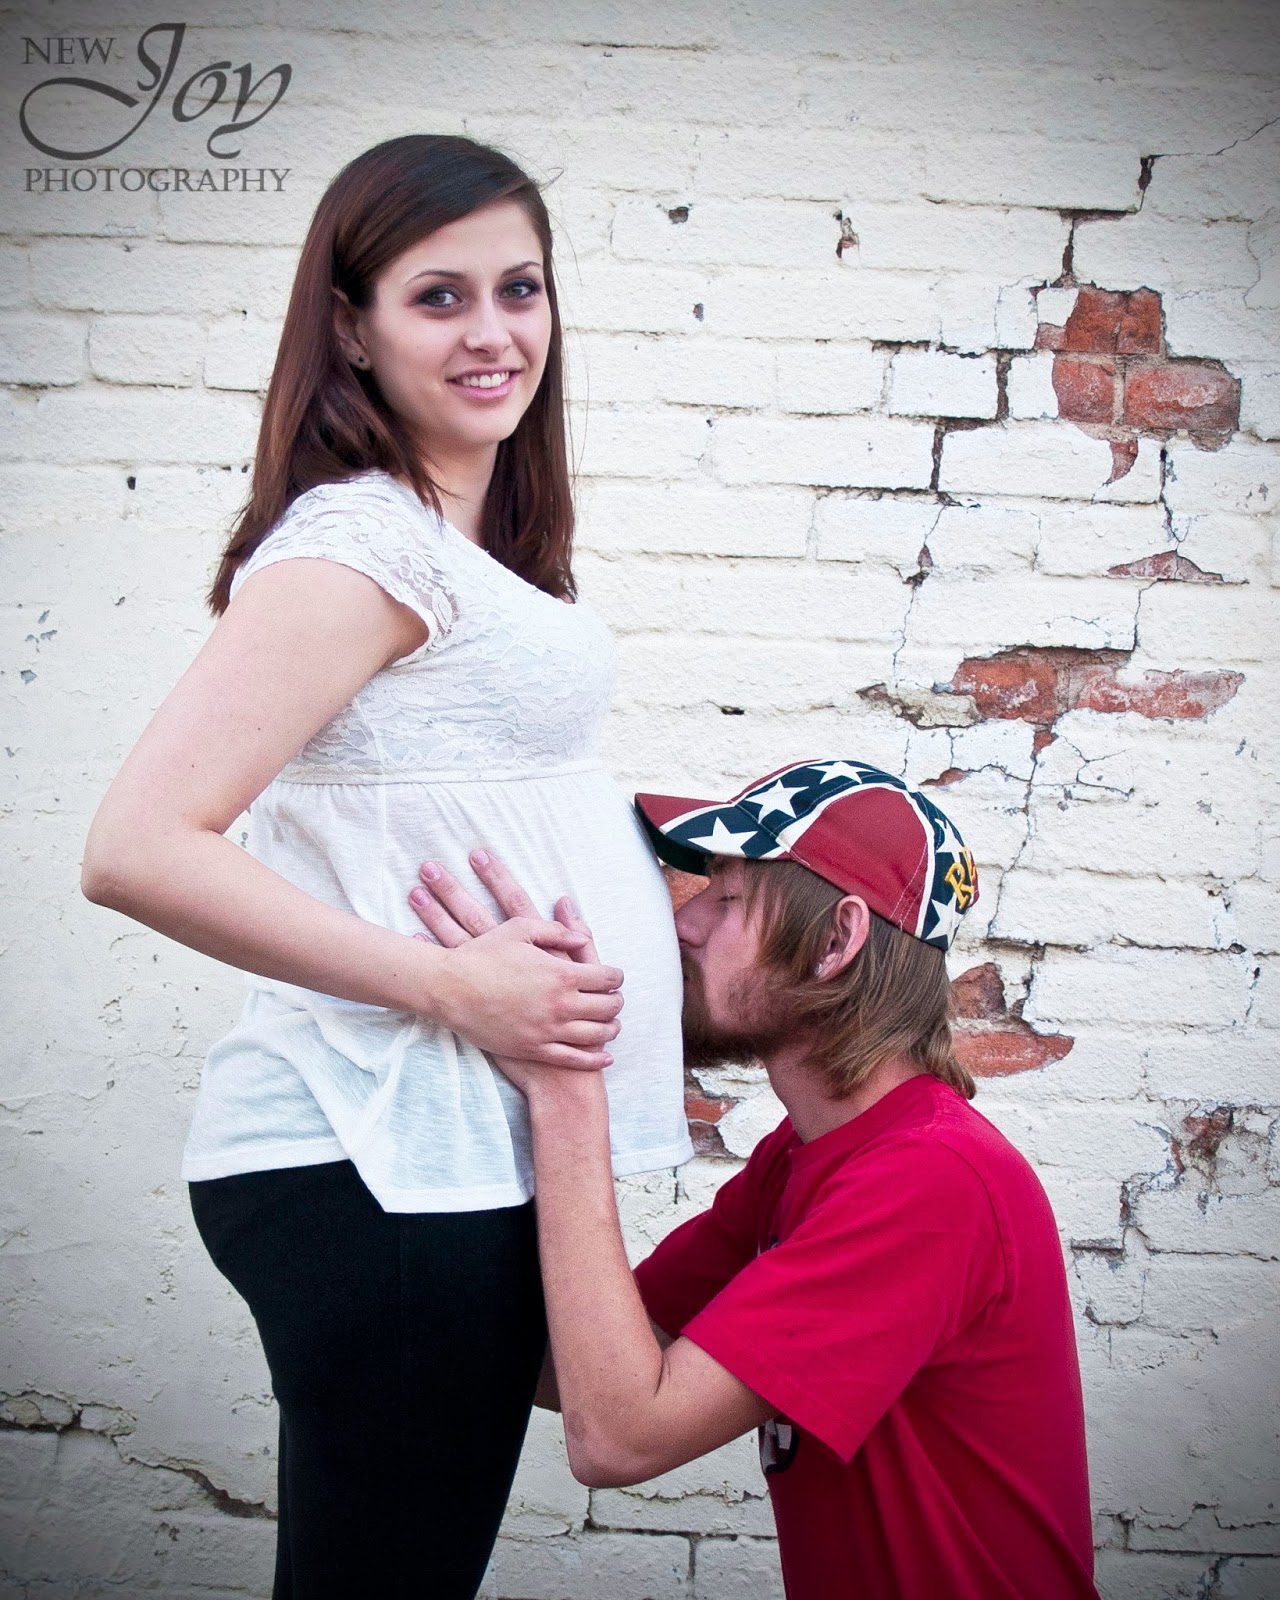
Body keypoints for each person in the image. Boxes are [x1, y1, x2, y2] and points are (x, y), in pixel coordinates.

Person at [80, 134, 691, 1599]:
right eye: (438, 296)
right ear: (351, 328)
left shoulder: (458, 543)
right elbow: (136, 847)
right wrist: (449, 988)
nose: (493, 332)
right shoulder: (363, 545)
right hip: (378, 1162)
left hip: (439, 1158)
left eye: (519, 289)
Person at [409, 758, 1100, 1600]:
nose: (685, 922)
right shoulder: (807, 1156)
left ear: (836, 942)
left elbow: (621, 1438)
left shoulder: (932, 1182)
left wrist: (564, 1088)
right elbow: (578, 1366)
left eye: (728, 898)